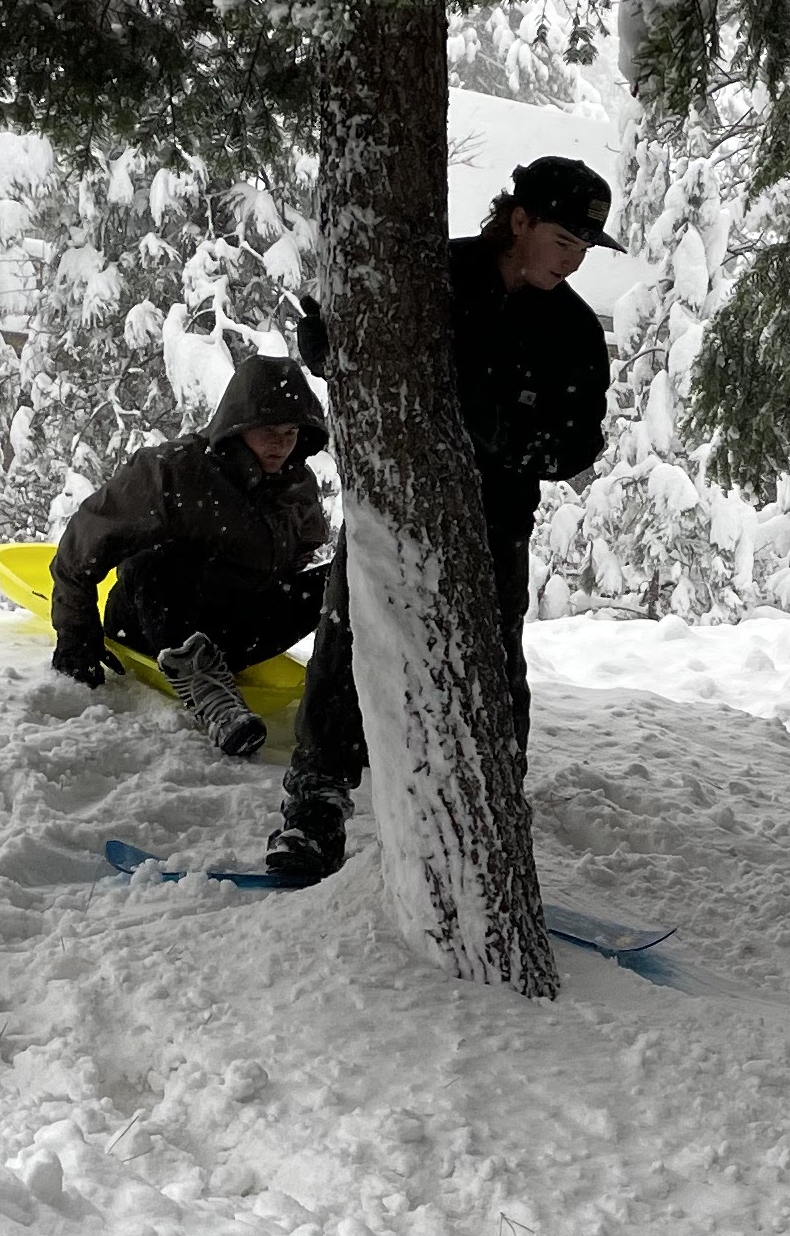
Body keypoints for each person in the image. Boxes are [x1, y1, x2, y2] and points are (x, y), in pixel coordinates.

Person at [265, 156, 616, 883]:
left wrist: (511, 439)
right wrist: (327, 347)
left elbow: (580, 442)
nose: (573, 261)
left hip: (496, 522)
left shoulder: (575, 329)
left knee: (492, 668)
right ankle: (315, 806)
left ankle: (494, 808)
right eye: (563, 241)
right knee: (349, 642)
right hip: (392, 501)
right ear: (518, 220)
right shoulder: (433, 276)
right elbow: (357, 347)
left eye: (585, 248)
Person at [46, 347, 332, 762]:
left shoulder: (295, 486)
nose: (281, 444)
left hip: (236, 629)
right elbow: (82, 544)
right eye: (269, 430)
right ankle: (212, 699)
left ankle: (346, 703)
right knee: (152, 560)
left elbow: (300, 555)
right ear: (238, 425)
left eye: (290, 432)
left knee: (344, 578)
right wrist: (76, 638)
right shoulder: (173, 469)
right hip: (152, 626)